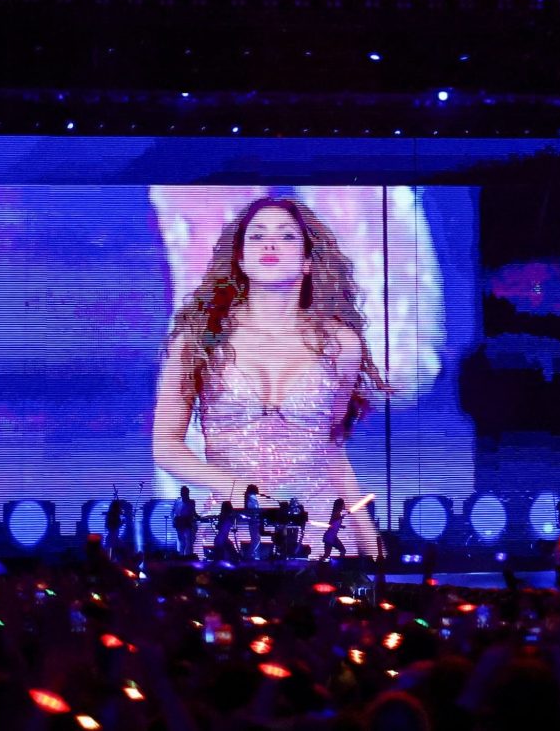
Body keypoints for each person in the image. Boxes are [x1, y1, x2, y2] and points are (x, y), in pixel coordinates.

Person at [154, 195, 389, 557]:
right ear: (241, 259)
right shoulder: (199, 340)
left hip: (317, 531)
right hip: (229, 533)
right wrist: (234, 489)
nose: (270, 245)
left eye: (287, 236)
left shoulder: (340, 343)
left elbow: (330, 448)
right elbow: (166, 446)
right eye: (257, 236)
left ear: (308, 260)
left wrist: (368, 538)